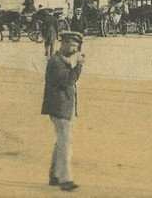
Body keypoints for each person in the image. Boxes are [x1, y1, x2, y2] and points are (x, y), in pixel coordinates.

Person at [41, 31, 85, 192]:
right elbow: (68, 81)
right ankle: (66, 179)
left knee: (61, 141)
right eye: (72, 45)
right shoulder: (56, 62)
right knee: (66, 142)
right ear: (63, 44)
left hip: (64, 106)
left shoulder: (63, 60)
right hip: (59, 107)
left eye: (76, 46)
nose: (74, 49)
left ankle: (54, 175)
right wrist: (79, 65)